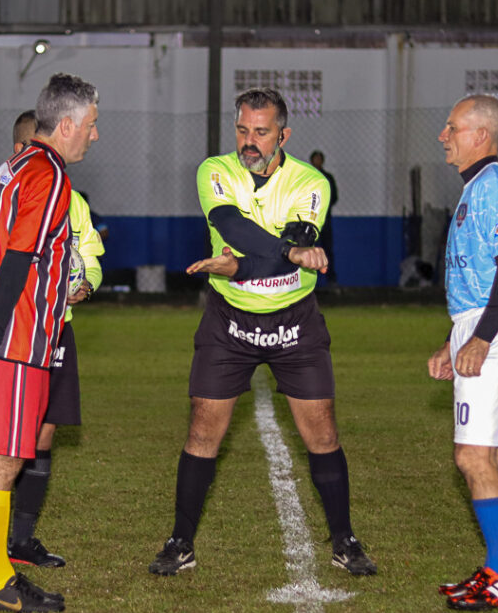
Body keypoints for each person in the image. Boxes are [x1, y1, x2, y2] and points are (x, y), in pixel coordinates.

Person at [147, 87, 376, 578]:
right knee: (203, 430)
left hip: (295, 319)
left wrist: (242, 265)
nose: (249, 141)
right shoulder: (214, 171)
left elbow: (301, 236)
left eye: (262, 132)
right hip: (228, 320)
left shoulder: (311, 182)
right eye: (243, 130)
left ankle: (345, 541)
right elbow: (233, 224)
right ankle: (180, 541)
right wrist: (273, 258)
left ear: (284, 134)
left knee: (322, 432)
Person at [0, 73, 99, 613]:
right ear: (69, 124)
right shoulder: (51, 175)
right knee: (6, 457)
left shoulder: (10, 169)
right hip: (17, 339)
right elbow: (18, 255)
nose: (94, 137)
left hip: (0, 333)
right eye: (92, 126)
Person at [427, 95, 498, 611]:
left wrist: (480, 337)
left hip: (496, 328)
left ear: (480, 135)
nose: (443, 135)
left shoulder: (494, 189)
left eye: (452, 127)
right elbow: (486, 275)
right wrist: (456, 340)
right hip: (487, 324)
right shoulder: (480, 188)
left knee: (471, 456)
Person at [309, 150, 338, 284]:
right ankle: (308, 281)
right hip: (309, 220)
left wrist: (322, 206)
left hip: (325, 220)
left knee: (327, 250)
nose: (317, 162)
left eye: (319, 159)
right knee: (308, 250)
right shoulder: (307, 177)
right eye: (315, 159)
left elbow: (334, 197)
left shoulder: (328, 178)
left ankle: (331, 279)